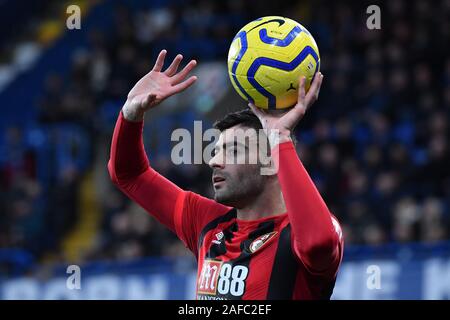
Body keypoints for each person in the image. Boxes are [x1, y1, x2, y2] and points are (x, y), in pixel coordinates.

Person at [108, 50, 343, 300]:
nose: (214, 161)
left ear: (271, 163)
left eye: (233, 151)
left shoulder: (298, 236)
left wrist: (280, 138)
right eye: (216, 151)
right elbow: (128, 174)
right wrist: (130, 114)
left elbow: (318, 243)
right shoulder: (205, 222)